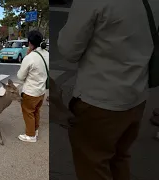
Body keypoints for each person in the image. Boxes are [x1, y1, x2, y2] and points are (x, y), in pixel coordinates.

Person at [57, 0, 158, 179]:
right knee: (120, 158)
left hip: (99, 101)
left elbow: (69, 50)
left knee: (93, 166)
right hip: (137, 97)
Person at [17, 30, 49, 143]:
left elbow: (20, 77)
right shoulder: (47, 54)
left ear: (30, 43)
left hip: (30, 92)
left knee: (28, 112)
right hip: (41, 91)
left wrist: (27, 56)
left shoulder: (30, 58)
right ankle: (35, 130)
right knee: (36, 111)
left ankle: (30, 135)